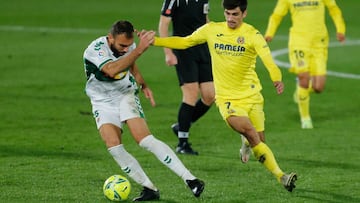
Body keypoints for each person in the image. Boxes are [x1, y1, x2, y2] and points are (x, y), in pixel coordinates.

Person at [151, 0, 297, 192]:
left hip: (252, 96)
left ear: (244, 14)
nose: (230, 18)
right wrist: (155, 41)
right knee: (254, 136)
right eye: (227, 13)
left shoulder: (252, 34)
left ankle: (245, 143)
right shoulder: (212, 29)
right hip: (227, 99)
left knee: (259, 141)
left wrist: (276, 78)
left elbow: (268, 59)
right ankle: (282, 176)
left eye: (235, 14)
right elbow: (185, 41)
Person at [83, 20, 205, 201]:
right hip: (102, 101)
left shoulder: (130, 45)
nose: (125, 49)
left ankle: (191, 179)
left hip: (125, 94)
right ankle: (149, 188)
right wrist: (140, 49)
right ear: (110, 38)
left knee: (145, 140)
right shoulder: (95, 49)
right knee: (114, 146)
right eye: (121, 45)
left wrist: (142, 83)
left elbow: (130, 64)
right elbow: (111, 69)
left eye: (128, 45)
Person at [264, 0, 346, 129]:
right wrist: (270, 33)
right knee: (303, 78)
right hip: (298, 42)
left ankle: (301, 93)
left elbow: (334, 9)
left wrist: (340, 29)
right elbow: (277, 15)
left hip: (319, 43)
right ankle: (305, 118)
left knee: (318, 87)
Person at [158, 0, 215, 155]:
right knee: (191, 93)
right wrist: (168, 52)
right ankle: (182, 143)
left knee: (210, 95)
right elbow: (164, 24)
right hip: (183, 49)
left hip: (202, 49)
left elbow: (205, 20)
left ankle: (181, 125)